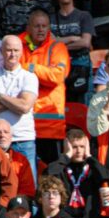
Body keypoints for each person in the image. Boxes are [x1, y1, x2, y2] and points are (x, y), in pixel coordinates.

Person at [20, 9, 68, 167]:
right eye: (36, 26)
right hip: (23, 125)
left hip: (50, 126)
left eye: (44, 26)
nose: (41, 29)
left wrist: (29, 67)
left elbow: (57, 76)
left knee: (52, 174)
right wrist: (42, 72)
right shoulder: (17, 46)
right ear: (28, 27)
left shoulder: (57, 48)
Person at [0, 36, 37, 181]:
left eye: (16, 50)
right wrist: (15, 101)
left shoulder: (29, 77)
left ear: (22, 52)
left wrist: (0, 96)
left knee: (28, 188)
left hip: (23, 140)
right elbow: (20, 104)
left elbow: (24, 106)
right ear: (1, 51)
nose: (12, 54)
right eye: (8, 50)